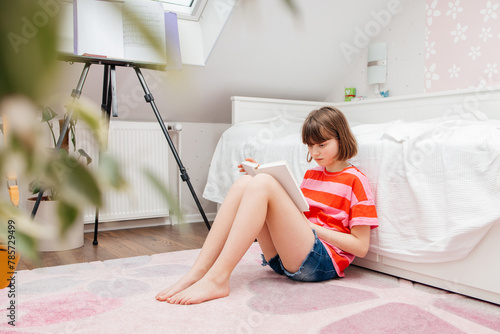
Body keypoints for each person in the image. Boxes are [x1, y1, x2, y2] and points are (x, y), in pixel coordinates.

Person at [156, 106, 378, 305]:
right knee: (246, 182)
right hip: (286, 259)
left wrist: (313, 229)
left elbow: (360, 247)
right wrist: (262, 172)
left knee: (262, 183)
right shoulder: (312, 174)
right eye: (310, 146)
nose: (315, 153)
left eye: (322, 144)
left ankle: (218, 279)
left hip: (321, 263)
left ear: (342, 139)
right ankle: (199, 272)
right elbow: (290, 213)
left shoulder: (356, 180)